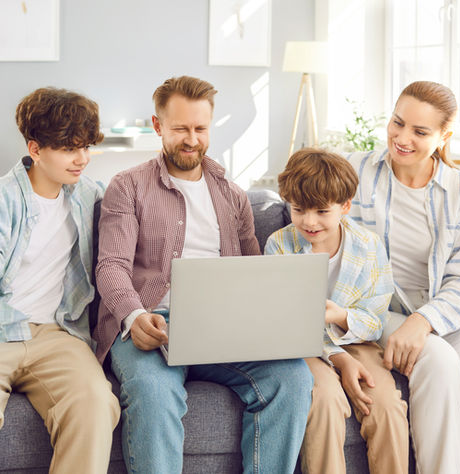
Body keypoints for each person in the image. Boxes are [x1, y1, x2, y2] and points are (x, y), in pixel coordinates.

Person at [93, 75, 314, 474]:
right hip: (151, 327)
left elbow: (252, 270)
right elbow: (111, 267)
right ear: (159, 127)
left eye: (200, 128)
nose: (191, 139)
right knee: (154, 392)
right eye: (180, 129)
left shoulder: (232, 195)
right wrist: (133, 316)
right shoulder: (127, 187)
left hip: (221, 331)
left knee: (293, 378)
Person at [347, 80, 460, 474]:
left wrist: (424, 320)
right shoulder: (356, 171)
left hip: (438, 310)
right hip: (378, 308)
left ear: (444, 136)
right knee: (436, 361)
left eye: (419, 132)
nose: (402, 138)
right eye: (398, 123)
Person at [264, 148, 409, 474]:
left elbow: (375, 319)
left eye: (321, 211)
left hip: (357, 341)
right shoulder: (279, 245)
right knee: (325, 400)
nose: (309, 221)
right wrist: (338, 359)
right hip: (305, 348)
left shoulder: (369, 246)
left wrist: (341, 316)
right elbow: (283, 322)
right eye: (298, 210)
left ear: (345, 206)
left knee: (385, 405)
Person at [0, 87, 120, 473]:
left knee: (95, 401)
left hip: (56, 333)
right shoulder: (4, 200)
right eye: (69, 148)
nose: (82, 159)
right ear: (35, 150)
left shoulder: (89, 195)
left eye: (86, 147)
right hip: (2, 329)